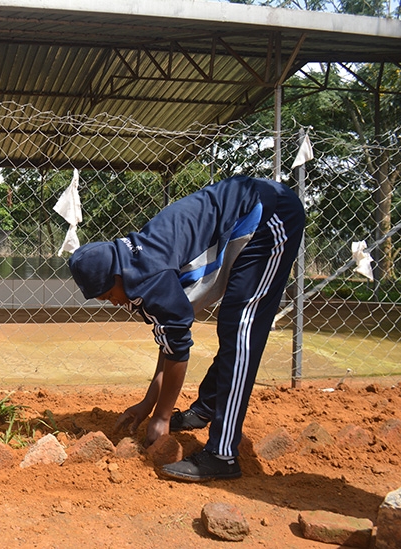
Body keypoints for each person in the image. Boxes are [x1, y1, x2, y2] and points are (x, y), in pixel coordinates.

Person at [69, 175, 305, 482]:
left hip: (271, 214)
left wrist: (162, 416)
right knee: (234, 329)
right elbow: (168, 342)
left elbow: (179, 353)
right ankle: (205, 410)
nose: (113, 303)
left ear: (116, 278)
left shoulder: (151, 277)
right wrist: (148, 404)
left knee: (241, 329)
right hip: (244, 209)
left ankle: (223, 454)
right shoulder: (132, 265)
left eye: (109, 296)